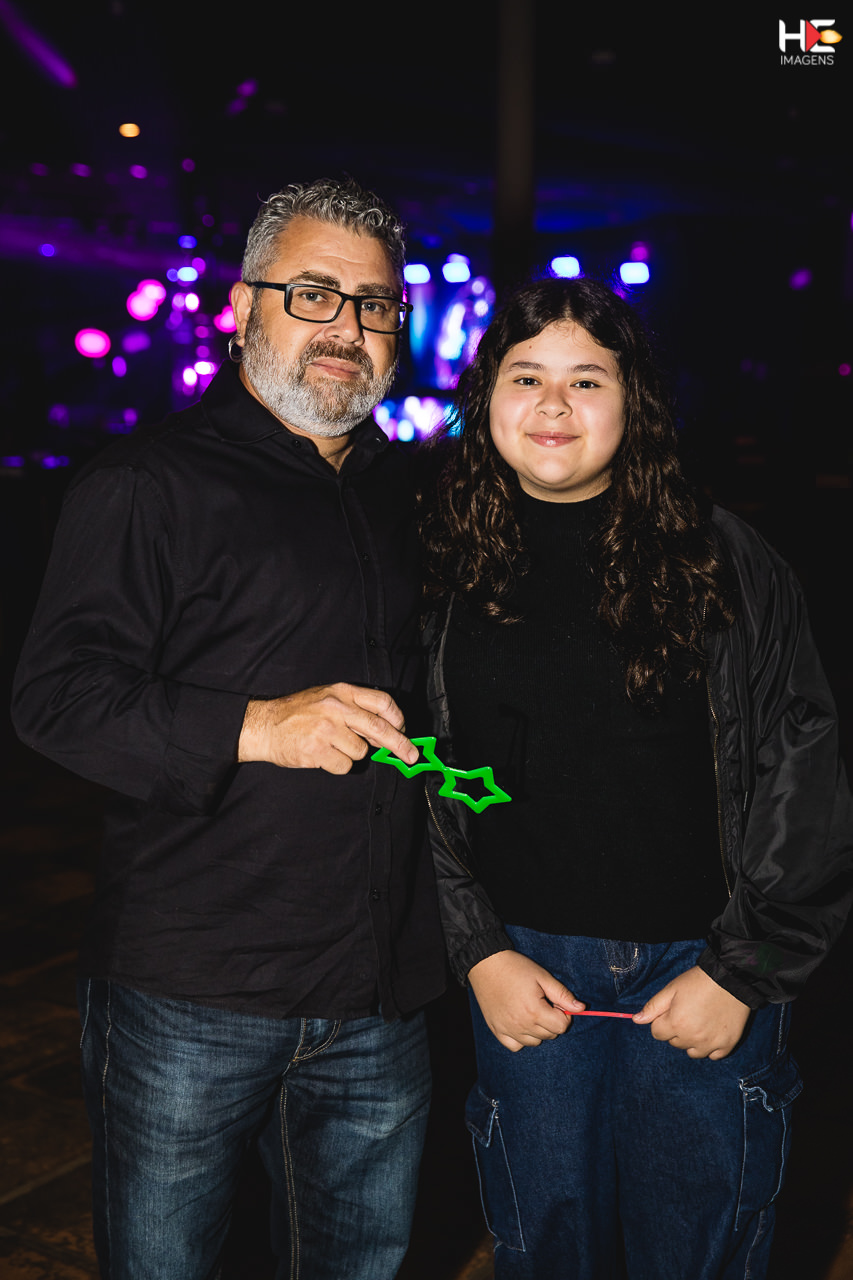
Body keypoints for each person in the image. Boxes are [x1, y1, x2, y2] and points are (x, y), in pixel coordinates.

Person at [12, 177, 447, 1280]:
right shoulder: (147, 482)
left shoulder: (412, 493)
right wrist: (256, 724)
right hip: (191, 991)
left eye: (374, 304)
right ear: (243, 307)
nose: (347, 327)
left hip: (377, 993)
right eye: (313, 294)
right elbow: (56, 696)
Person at [418, 276, 852, 1279]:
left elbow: (804, 771)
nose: (553, 404)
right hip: (523, 972)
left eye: (586, 379)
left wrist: (743, 971)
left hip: (702, 968)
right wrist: (477, 951)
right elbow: (411, 774)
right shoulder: (436, 561)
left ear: (634, 402)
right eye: (525, 376)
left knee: (696, 1252)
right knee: (547, 1247)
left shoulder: (724, 556)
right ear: (486, 396)